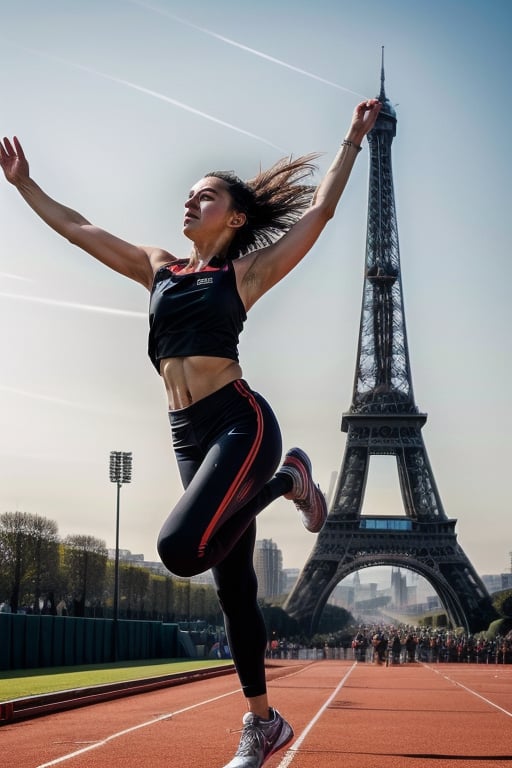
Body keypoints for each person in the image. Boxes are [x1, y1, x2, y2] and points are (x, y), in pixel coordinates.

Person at [0, 96, 380, 768]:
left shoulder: (245, 273)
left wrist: (351, 142)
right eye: (188, 195)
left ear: (233, 217)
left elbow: (318, 213)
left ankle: (287, 477)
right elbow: (80, 228)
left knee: (180, 549)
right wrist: (25, 184)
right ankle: (263, 724)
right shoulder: (158, 267)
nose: (189, 203)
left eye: (204, 197)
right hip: (187, 437)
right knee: (233, 587)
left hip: (240, 424)